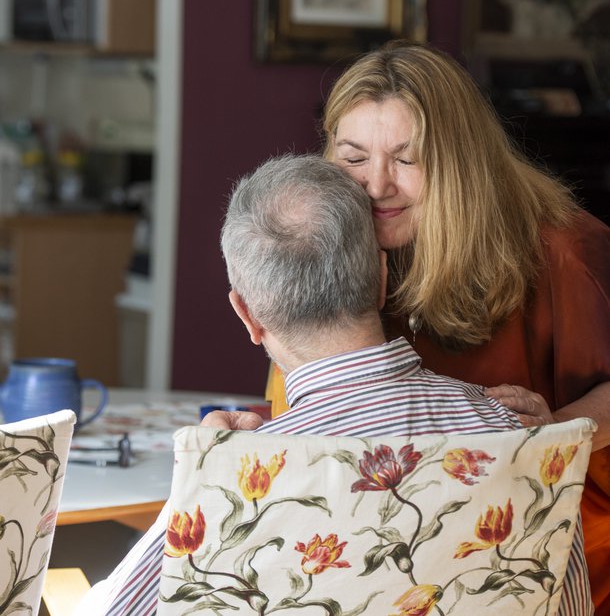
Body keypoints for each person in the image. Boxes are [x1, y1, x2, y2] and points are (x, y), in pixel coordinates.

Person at [77, 154, 591, 615]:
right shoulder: (518, 434)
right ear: (383, 277)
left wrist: (207, 475)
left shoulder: (238, 477)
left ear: (248, 315)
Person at [266, 41, 610, 612]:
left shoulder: (567, 253)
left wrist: (561, 428)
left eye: (407, 159)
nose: (376, 186)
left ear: (461, 160)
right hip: (410, 571)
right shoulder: (337, 247)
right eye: (353, 158)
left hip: (560, 568)